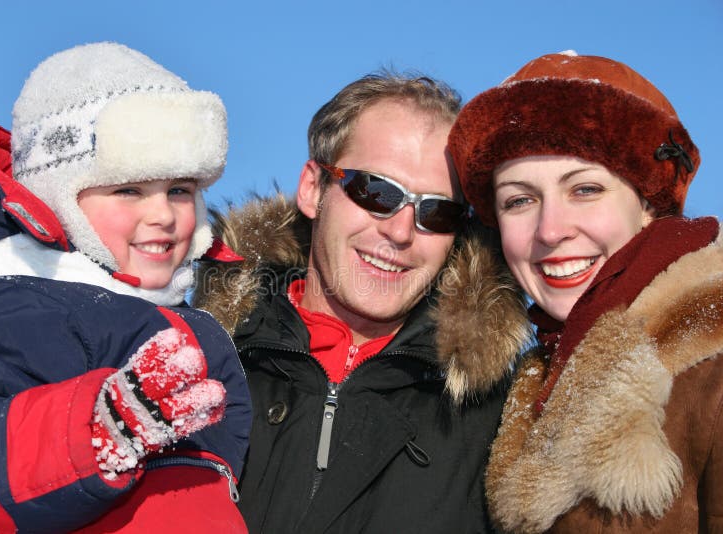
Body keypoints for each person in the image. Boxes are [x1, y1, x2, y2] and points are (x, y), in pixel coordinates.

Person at [0, 42, 251, 532]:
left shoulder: (197, 321)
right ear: (60, 197)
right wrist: (97, 431)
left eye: (180, 190)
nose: (163, 215)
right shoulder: (8, 299)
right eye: (129, 190)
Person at [192, 72, 532, 533]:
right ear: (314, 188)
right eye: (376, 192)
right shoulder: (195, 362)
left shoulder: (499, 424)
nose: (400, 231)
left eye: (437, 211)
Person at [447, 50, 723, 533]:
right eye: (520, 200)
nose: (550, 230)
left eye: (586, 189)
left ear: (647, 206)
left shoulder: (710, 363)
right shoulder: (530, 380)